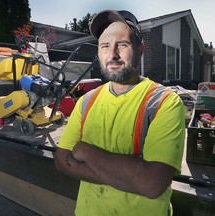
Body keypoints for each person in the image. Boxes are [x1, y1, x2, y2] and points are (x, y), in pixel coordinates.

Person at [55, 9, 185, 216]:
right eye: (105, 46)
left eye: (122, 45)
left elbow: (152, 184)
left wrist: (86, 152)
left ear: (140, 50)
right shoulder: (87, 101)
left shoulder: (164, 103)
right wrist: (130, 177)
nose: (112, 54)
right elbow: (62, 160)